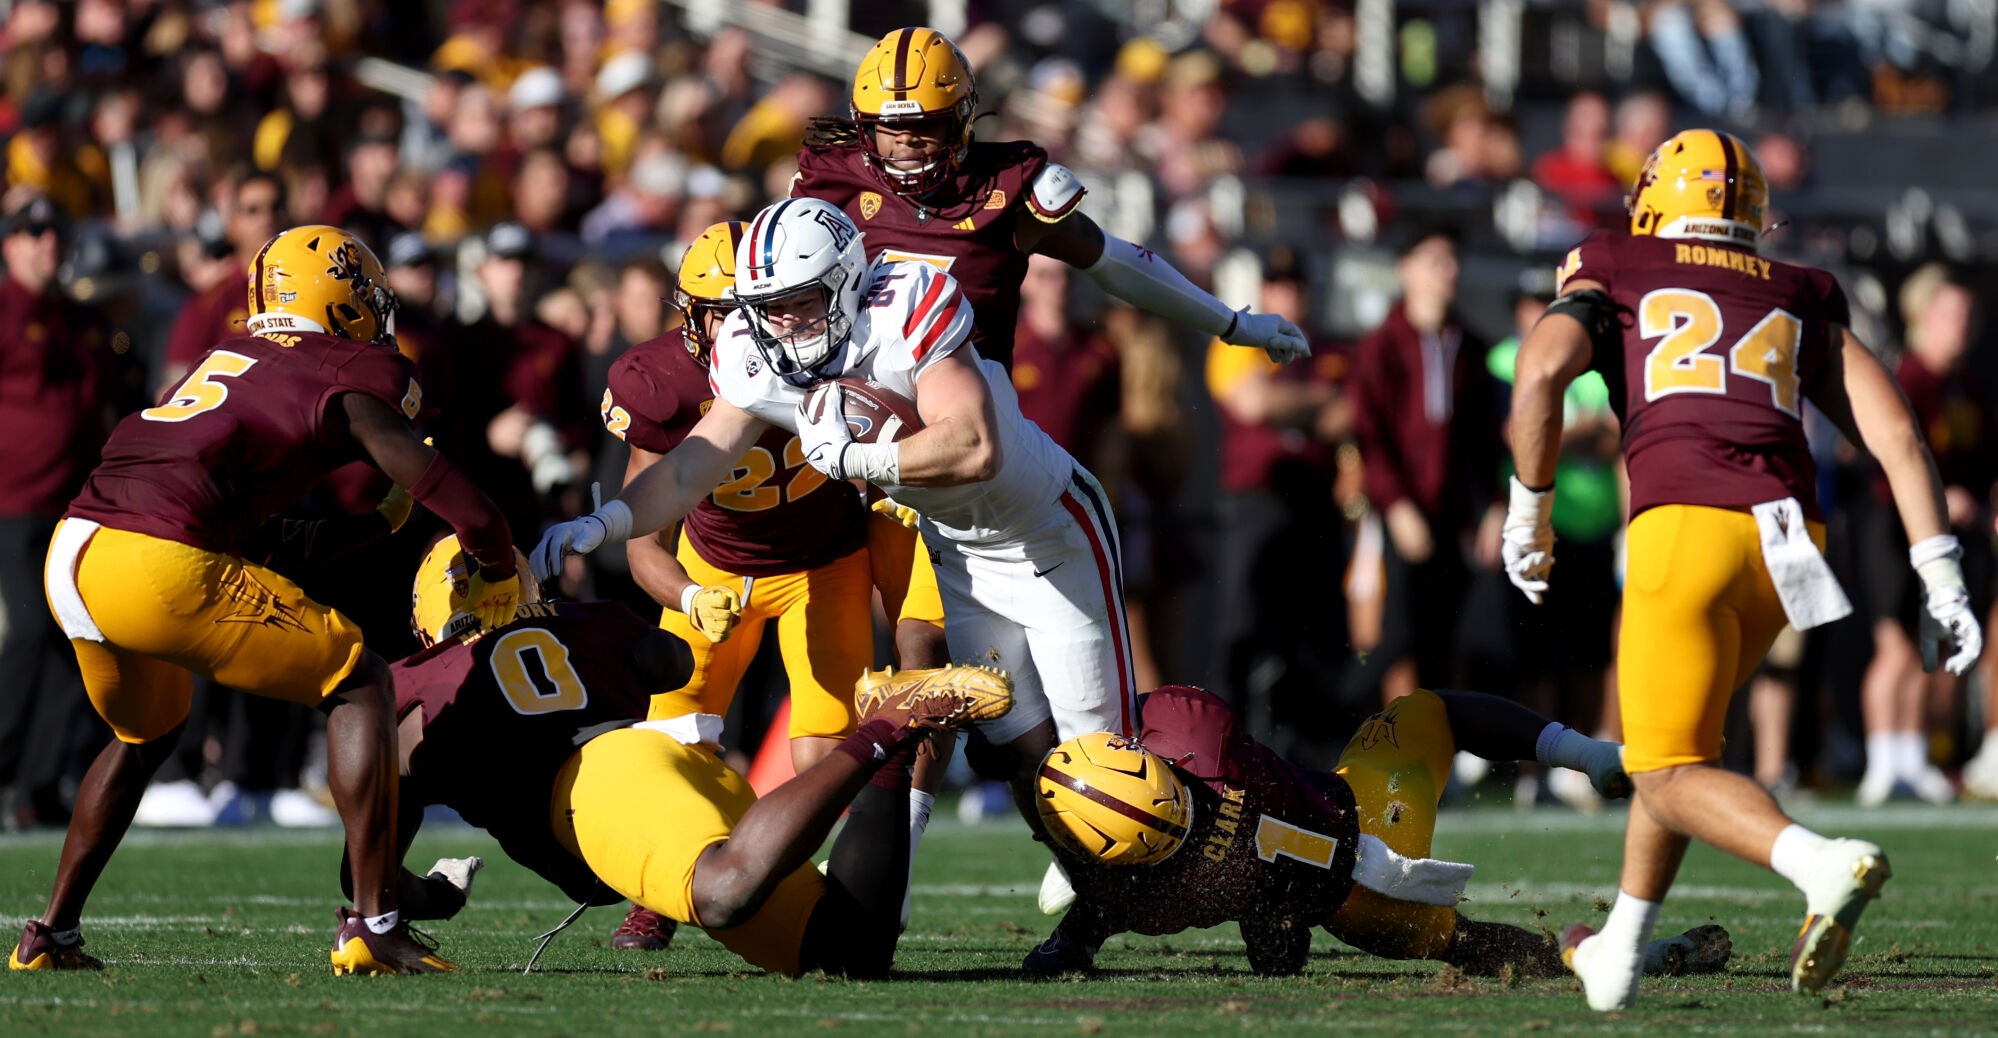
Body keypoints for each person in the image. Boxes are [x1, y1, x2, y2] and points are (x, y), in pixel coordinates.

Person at [1501, 130, 1984, 1008]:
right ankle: (1619, 947)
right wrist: (1942, 575)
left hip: (1686, 528)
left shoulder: (1617, 259)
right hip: (1792, 546)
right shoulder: (1797, 287)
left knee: (1663, 769)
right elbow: (1897, 437)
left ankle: (1820, 862)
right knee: (1680, 749)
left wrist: (1528, 511)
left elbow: (1537, 377)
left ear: (1654, 201)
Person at [8, 226, 522, 975]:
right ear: (339, 301)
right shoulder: (348, 366)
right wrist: (499, 557)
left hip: (78, 550)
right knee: (360, 681)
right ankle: (375, 925)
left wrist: (370, 525)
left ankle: (48, 935)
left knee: (146, 736)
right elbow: (444, 488)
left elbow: (261, 538)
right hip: (158, 559)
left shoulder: (231, 358)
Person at [533, 197, 1132, 827]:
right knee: (1021, 744)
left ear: (845, 281)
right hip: (957, 545)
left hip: (1041, 525)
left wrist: (858, 461)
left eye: (801, 301)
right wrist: (606, 523)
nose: (783, 324)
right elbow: (688, 468)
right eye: (768, 309)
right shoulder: (749, 346)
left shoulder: (905, 305)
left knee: (1100, 749)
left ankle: (1143, 863)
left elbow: (975, 445)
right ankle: (1078, 894)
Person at [387, 535, 1013, 977]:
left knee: (720, 892)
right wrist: (570, 632)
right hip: (669, 760)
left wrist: (439, 896)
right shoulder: (583, 623)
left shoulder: (413, 688)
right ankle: (892, 752)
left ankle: (886, 726)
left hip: (596, 788)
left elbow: (371, 879)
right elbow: (671, 660)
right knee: (850, 950)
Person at [600, 220, 950, 949]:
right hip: (713, 563)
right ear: (691, 319)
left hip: (823, 564)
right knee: (671, 738)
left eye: (755, 306)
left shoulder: (828, 345)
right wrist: (690, 596)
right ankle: (660, 894)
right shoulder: (660, 381)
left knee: (825, 749)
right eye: (721, 312)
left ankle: (805, 888)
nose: (744, 326)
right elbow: (645, 540)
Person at [1026, 683, 1729, 980]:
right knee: (1428, 710)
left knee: (1469, 945)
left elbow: (1270, 938)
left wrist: (1075, 920)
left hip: (1348, 911)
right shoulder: (1191, 728)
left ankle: (1626, 958)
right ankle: (1591, 756)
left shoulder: (1159, 900)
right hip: (1366, 806)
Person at [791, 27, 1307, 374]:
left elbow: (1116, 262)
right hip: (851, 430)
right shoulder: (831, 184)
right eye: (890, 126)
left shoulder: (1008, 188)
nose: (905, 141)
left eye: (925, 124)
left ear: (962, 118)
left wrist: (1233, 324)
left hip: (974, 436)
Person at [0, 196, 119, 830]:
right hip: (13, 502)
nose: (49, 241)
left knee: (76, 635)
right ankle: (8, 768)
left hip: (75, 506)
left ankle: (36, 787)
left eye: (56, 230)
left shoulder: (81, 320)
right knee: (27, 634)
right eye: (33, 231)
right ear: (10, 244)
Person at [1349, 224, 1501, 706]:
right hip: (1397, 514)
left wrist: (1495, 506)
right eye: (1436, 260)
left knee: (1443, 640)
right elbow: (1368, 433)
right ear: (1406, 269)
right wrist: (1396, 506)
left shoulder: (1471, 349)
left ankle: (1430, 760)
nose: (1448, 272)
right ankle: (1332, 729)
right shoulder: (1381, 347)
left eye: (1452, 260)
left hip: (1451, 515)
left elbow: (1485, 441)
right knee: (1392, 637)